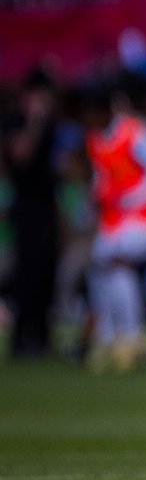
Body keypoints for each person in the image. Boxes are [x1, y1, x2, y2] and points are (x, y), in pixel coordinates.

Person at [83, 74, 146, 372]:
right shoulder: (96, 140)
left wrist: (128, 197)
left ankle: (132, 339)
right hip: (116, 224)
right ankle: (109, 337)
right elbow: (102, 181)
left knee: (115, 261)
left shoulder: (135, 133)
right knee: (97, 266)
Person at [2, 66, 63, 359]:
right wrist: (35, 121)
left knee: (48, 270)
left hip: (48, 204)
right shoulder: (17, 120)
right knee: (27, 271)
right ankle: (21, 338)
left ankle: (42, 335)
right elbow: (21, 156)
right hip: (26, 206)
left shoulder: (52, 122)